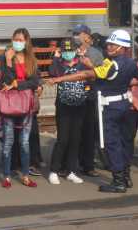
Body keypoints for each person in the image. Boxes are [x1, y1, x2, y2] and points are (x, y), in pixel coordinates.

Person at [48, 29, 138, 193]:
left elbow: (87, 74)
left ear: (122, 47)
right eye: (109, 43)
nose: (109, 46)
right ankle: (126, 176)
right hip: (125, 104)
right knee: (124, 143)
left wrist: (59, 79)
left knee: (112, 144)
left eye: (113, 44)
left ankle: (118, 181)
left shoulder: (113, 64)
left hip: (111, 108)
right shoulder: (130, 62)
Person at [0, 28, 39, 189]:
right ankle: (7, 176)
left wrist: (17, 84)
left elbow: (34, 81)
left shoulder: (31, 59)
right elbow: (6, 80)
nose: (18, 42)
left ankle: (25, 176)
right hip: (9, 103)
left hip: (25, 103)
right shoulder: (6, 56)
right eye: (16, 39)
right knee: (8, 140)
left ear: (27, 41)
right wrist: (8, 63)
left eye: (21, 40)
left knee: (24, 142)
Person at [48, 38, 88, 185]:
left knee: (75, 139)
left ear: (76, 50)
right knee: (63, 139)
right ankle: (53, 170)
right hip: (63, 106)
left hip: (79, 105)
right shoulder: (59, 65)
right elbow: (51, 72)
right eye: (65, 51)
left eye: (70, 50)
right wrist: (55, 57)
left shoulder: (82, 64)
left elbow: (91, 76)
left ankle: (71, 171)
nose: (68, 53)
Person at [72, 24, 104, 177]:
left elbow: (102, 75)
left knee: (89, 132)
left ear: (86, 36)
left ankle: (88, 165)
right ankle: (73, 164)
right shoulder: (69, 52)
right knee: (74, 132)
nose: (75, 36)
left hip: (90, 96)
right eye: (74, 33)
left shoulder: (96, 54)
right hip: (72, 97)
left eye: (78, 33)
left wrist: (90, 67)